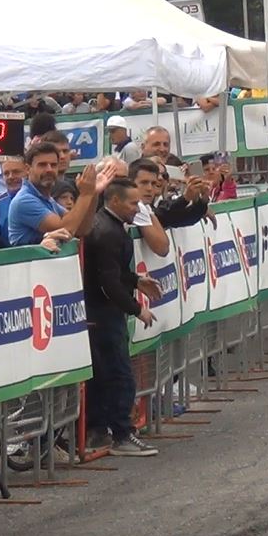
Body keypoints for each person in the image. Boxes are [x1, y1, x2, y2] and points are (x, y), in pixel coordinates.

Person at [82, 178, 163, 457]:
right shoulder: (106, 232)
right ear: (114, 201)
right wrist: (137, 309)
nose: (137, 208)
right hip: (102, 313)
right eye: (133, 203)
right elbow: (107, 282)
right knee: (119, 374)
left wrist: (136, 280)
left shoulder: (109, 226)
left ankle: (101, 431)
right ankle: (121, 434)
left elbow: (111, 272)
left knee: (107, 374)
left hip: (101, 310)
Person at [8, 141, 115, 245]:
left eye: (53, 165)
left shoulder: (48, 199)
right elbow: (66, 230)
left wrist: (93, 193)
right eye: (42, 165)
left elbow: (81, 229)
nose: (49, 169)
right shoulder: (24, 200)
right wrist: (85, 195)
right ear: (28, 169)